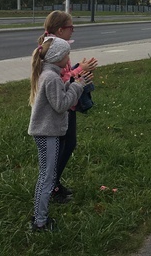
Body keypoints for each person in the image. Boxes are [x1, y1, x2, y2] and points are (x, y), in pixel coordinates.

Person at [28, 36, 90, 232]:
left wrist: (74, 82)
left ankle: (40, 215)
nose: (69, 58)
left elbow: (59, 96)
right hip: (47, 133)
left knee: (48, 175)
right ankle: (40, 221)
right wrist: (77, 86)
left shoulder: (49, 74)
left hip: (47, 131)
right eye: (67, 55)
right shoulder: (52, 77)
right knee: (47, 177)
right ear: (57, 57)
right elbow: (61, 105)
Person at [39, 11, 98, 203]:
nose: (73, 30)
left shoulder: (58, 47)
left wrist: (81, 70)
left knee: (68, 144)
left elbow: (66, 75)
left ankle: (54, 183)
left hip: (68, 105)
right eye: (71, 27)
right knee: (63, 146)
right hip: (62, 107)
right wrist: (81, 71)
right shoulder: (54, 50)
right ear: (60, 29)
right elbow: (61, 79)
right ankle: (52, 186)